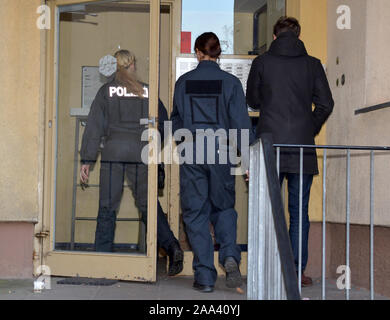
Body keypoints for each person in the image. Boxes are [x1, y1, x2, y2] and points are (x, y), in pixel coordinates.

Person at [246, 17, 334, 286]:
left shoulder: (261, 62)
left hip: (270, 145)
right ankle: (296, 271)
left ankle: (267, 267)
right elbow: (326, 103)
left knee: (268, 211)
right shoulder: (313, 64)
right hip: (301, 147)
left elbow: (252, 100)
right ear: (298, 35)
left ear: (274, 36)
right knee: (299, 212)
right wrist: (310, 126)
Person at [79, 49, 183, 276]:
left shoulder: (106, 91)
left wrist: (86, 159)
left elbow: (94, 127)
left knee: (107, 207)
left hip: (114, 153)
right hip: (140, 153)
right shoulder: (146, 91)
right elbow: (165, 123)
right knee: (147, 205)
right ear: (133, 65)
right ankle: (172, 246)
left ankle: (101, 262)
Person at [171, 32, 253, 293]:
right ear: (219, 54)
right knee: (224, 207)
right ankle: (229, 255)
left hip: (193, 151)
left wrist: (184, 144)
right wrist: (249, 161)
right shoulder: (231, 82)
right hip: (222, 151)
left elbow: (176, 121)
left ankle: (205, 277)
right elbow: (241, 122)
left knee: (195, 213)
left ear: (198, 52)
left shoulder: (183, 82)